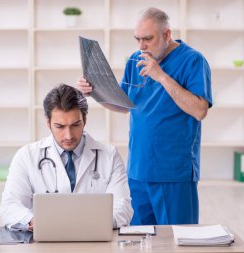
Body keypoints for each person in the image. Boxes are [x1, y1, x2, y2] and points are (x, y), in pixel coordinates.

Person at [77, 7, 212, 225]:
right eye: (137, 39)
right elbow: (124, 106)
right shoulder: (135, 60)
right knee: (138, 239)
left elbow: (200, 110)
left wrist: (161, 76)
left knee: (176, 240)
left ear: (167, 35)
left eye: (147, 39)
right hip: (138, 171)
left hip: (173, 173)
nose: (141, 46)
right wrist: (94, 93)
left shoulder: (193, 61)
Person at [0, 84, 133, 231]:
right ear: (48, 123)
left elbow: (123, 207)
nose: (68, 135)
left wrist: (87, 225)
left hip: (94, 240)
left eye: (75, 125)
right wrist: (33, 221)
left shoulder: (109, 155)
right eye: (60, 126)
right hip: (45, 242)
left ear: (85, 121)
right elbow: (10, 205)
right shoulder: (26, 156)